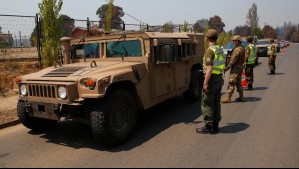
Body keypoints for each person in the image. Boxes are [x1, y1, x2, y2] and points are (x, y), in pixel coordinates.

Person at [196, 29, 225, 134]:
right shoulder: (220, 49)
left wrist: (205, 83)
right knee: (216, 102)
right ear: (216, 38)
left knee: (207, 102)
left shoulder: (210, 50)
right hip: (219, 78)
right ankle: (216, 126)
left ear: (207, 39)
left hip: (211, 78)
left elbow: (209, 68)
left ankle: (208, 126)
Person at [221, 35, 246, 103]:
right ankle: (241, 97)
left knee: (231, 82)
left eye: (235, 40)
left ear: (239, 41)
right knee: (238, 83)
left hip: (236, 68)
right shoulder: (242, 48)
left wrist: (226, 68)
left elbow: (233, 60)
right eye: (233, 41)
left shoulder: (238, 49)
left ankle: (228, 98)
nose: (234, 42)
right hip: (239, 67)